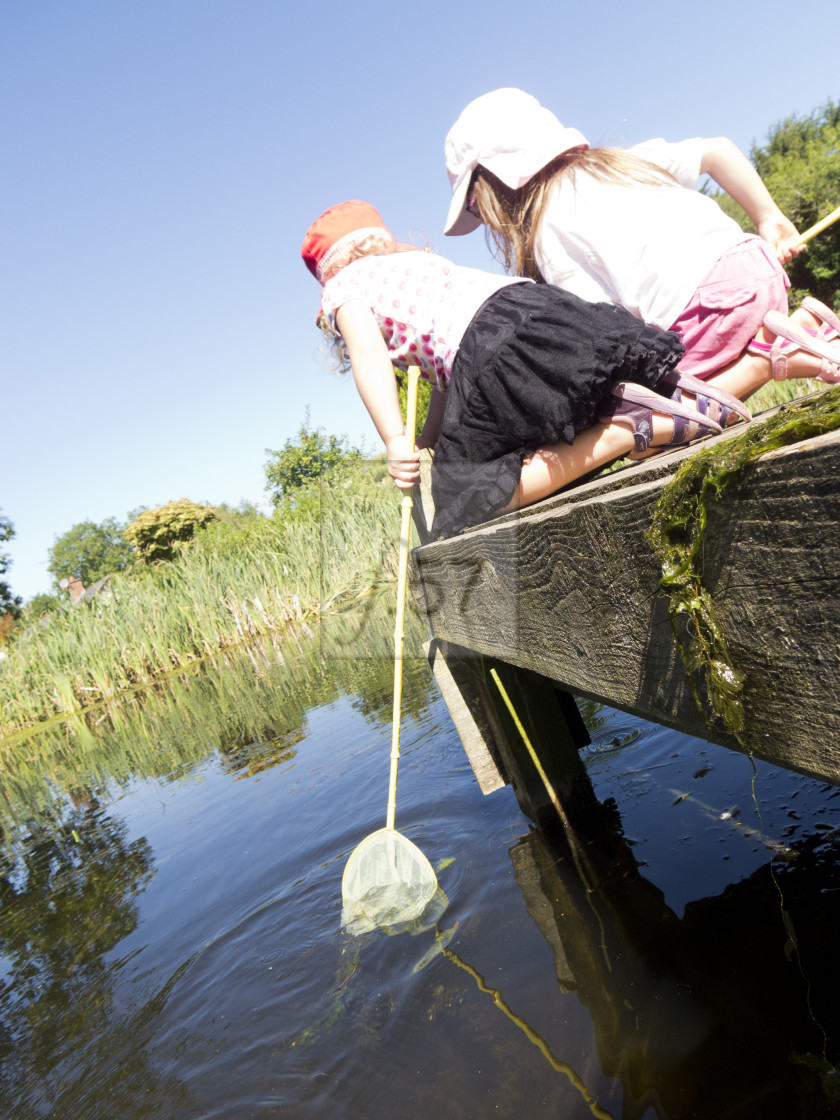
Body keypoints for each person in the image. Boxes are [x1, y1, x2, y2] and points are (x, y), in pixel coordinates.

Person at [301, 201, 749, 539]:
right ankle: (720, 382)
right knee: (578, 407)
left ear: (328, 271)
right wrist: (428, 439)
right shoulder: (416, 263)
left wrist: (395, 439)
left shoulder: (345, 286)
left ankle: (626, 430)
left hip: (487, 345)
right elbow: (445, 380)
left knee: (464, 503)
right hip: (539, 310)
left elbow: (368, 355)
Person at [443, 88, 840, 423]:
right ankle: (799, 339)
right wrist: (768, 218)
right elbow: (717, 150)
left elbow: (607, 327)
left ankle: (773, 351)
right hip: (758, 270)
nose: (484, 222)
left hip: (708, 309)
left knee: (644, 420)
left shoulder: (548, 235)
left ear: (498, 184)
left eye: (475, 205)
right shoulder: (620, 162)